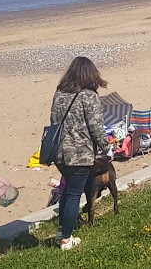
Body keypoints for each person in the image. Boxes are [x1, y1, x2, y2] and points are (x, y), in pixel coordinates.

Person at [49, 56, 110, 251]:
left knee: (68, 190)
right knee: (75, 193)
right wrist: (105, 147)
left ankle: (61, 230)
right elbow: (96, 127)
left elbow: (53, 120)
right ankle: (66, 238)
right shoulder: (89, 96)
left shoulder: (59, 94)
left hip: (59, 152)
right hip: (80, 153)